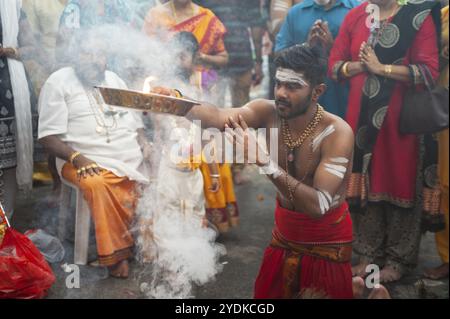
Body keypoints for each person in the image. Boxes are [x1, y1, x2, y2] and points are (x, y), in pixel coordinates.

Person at [151, 44, 356, 299]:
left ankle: (364, 289)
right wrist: (176, 101)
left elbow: (318, 205)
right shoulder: (268, 112)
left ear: (317, 92)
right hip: (284, 236)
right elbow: (216, 117)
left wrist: (264, 162)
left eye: (292, 87)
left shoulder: (337, 133)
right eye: (279, 83)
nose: (281, 93)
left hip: (326, 244)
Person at [329, 0, 441, 282]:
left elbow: (429, 71)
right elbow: (334, 66)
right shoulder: (355, 16)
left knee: (399, 182)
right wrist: (359, 66)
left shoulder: (417, 16)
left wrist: (382, 69)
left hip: (402, 123)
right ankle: (368, 255)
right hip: (361, 121)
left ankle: (398, 259)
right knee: (366, 183)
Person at [38, 32, 151, 278]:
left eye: (99, 54)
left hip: (127, 156)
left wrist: (143, 141)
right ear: (75, 56)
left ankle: (145, 246)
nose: (93, 60)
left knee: (160, 172)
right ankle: (116, 257)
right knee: (98, 182)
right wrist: (78, 157)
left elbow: (134, 119)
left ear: (107, 59)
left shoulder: (115, 80)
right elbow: (48, 138)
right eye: (86, 53)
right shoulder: (59, 82)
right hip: (78, 158)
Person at [193, 0, 266, 185]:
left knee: (241, 119)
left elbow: (256, 24)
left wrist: (258, 61)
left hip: (241, 61)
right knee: (211, 116)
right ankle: (216, 166)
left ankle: (237, 167)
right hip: (212, 64)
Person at [276, 0, 359, 118]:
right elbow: (279, 55)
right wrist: (306, 48)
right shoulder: (296, 13)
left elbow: (365, 58)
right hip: (302, 106)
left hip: (343, 99)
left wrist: (333, 47)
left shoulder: (357, 10)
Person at [0, 0, 35, 219]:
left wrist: (8, 49)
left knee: (9, 162)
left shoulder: (13, 8)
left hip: (10, 91)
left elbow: (32, 47)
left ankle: (5, 227)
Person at [142, 0, 229, 82]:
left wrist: (202, 57)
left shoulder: (207, 18)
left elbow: (223, 58)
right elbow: (144, 51)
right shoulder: (156, 15)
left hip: (197, 87)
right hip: (164, 81)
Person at [424, 5, 449, 281]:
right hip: (444, 110)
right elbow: (429, 60)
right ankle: (448, 257)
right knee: (446, 184)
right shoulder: (442, 14)